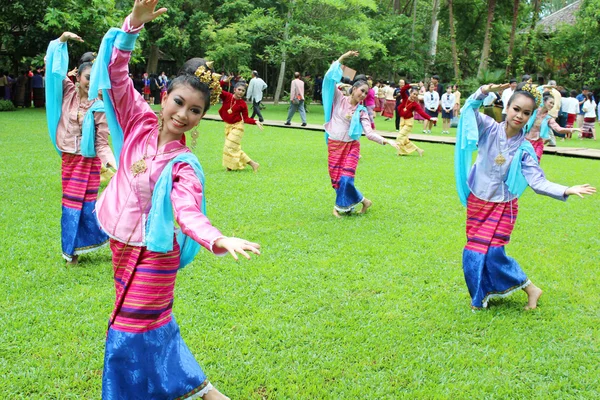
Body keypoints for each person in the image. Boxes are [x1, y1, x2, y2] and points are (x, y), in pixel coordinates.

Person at [90, 1, 261, 398]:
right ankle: (199, 389)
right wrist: (132, 27)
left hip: (156, 252)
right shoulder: (138, 122)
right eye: (179, 102)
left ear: (202, 117)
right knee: (150, 323)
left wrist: (216, 238)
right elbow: (115, 77)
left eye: (196, 111)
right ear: (164, 96)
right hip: (121, 242)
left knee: (126, 328)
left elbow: (187, 210)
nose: (183, 114)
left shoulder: (184, 164)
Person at [455, 83, 596, 310]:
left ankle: (516, 291)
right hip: (478, 201)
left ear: (531, 116)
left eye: (526, 113)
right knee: (473, 250)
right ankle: (487, 296)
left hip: (504, 206)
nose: (519, 116)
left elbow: (537, 182)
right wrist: (484, 91)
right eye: (516, 109)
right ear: (507, 107)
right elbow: (468, 110)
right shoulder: (488, 127)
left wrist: (565, 189)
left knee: (493, 254)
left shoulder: (525, 148)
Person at [45, 32, 116, 264]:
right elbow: (53, 68)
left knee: (87, 204)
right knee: (70, 204)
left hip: (89, 161)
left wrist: (113, 162)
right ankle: (70, 250)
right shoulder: (67, 92)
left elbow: (102, 141)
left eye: (95, 77)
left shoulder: (99, 106)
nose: (90, 81)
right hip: (69, 158)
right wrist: (62, 41)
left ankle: (103, 239)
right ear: (78, 76)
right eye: (87, 76)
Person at [323, 51, 400, 218]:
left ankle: (337, 208)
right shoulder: (338, 98)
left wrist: (387, 141)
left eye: (366, 93)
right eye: (362, 91)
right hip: (334, 145)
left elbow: (370, 133)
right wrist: (343, 58)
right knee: (337, 181)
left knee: (346, 180)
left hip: (351, 147)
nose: (363, 95)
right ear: (354, 88)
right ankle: (364, 201)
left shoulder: (362, 111)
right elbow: (329, 78)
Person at [220, 79, 263, 171]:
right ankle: (252, 164)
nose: (241, 92)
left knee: (229, 145)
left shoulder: (243, 104)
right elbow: (216, 88)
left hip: (238, 127)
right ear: (234, 89)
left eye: (243, 91)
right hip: (228, 126)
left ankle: (232, 166)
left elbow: (246, 118)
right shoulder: (227, 96)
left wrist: (255, 121)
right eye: (239, 89)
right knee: (233, 147)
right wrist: (224, 81)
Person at [525, 90, 580, 161]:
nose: (551, 105)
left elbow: (558, 129)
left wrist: (571, 130)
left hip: (539, 143)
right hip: (526, 141)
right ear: (544, 101)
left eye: (553, 104)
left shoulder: (549, 118)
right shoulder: (532, 111)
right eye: (550, 103)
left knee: (535, 163)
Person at [395, 83, 436, 156]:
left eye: (416, 95)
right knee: (405, 139)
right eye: (414, 94)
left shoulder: (415, 104)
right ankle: (417, 150)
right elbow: (402, 90)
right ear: (410, 93)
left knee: (400, 136)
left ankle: (400, 151)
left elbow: (421, 112)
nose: (415, 96)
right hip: (402, 120)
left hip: (408, 122)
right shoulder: (405, 98)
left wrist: (429, 118)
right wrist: (411, 85)